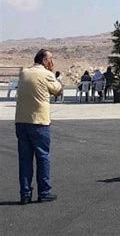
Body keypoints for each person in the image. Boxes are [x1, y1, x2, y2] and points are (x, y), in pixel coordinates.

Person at [15, 49, 63, 204]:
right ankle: (44, 191)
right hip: (39, 122)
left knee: (25, 159)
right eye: (50, 59)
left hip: (21, 121)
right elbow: (58, 90)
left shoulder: (24, 73)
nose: (52, 62)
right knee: (42, 157)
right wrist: (53, 76)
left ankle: (25, 193)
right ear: (44, 60)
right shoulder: (46, 74)